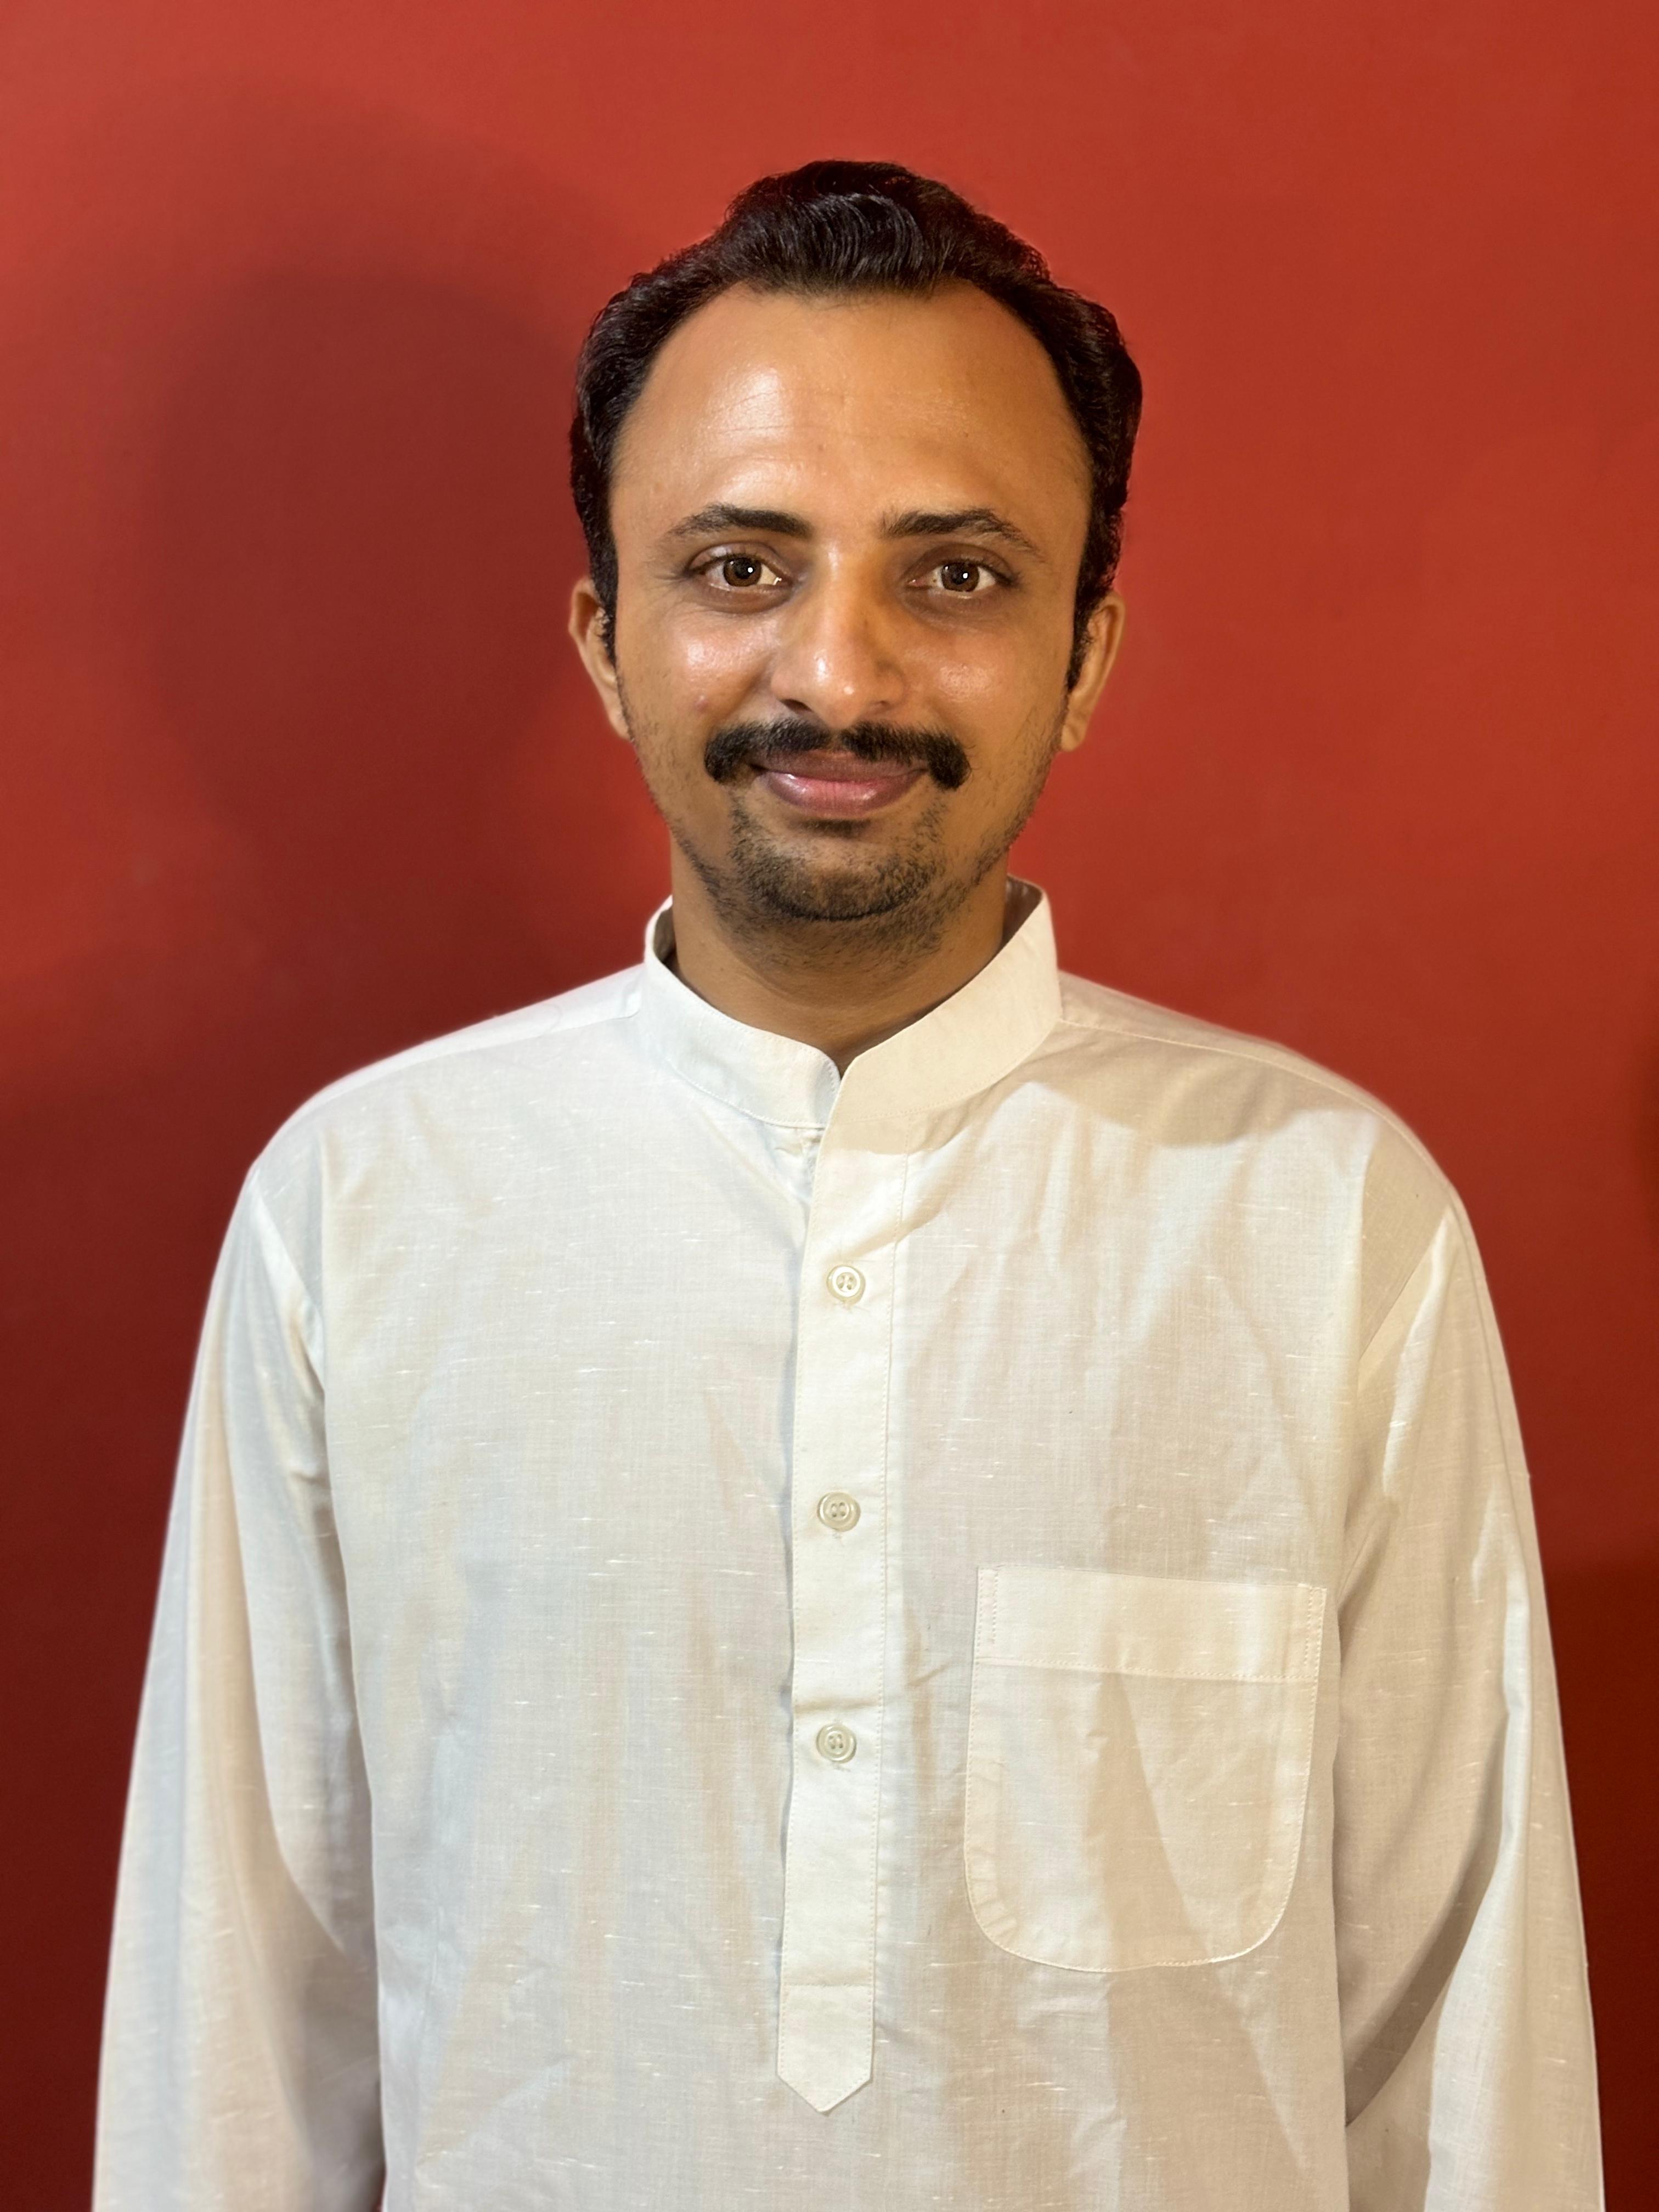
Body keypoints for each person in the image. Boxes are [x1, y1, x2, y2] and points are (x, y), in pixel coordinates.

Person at [93, 160, 1603, 2210]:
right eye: (739, 566)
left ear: (1085, 655)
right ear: (606, 639)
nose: (840, 672)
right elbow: (242, 2041)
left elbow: (1468, 2052)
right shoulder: (360, 1216)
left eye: (957, 575)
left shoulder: (1324, 1225)